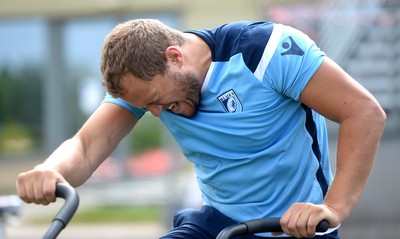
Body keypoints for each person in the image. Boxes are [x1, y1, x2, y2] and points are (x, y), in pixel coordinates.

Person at [16, 19, 386, 239]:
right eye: (146, 107)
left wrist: (333, 207)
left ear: (174, 57)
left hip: (291, 226)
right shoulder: (147, 86)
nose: (157, 114)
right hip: (218, 223)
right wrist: (52, 170)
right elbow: (86, 146)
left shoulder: (264, 51)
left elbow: (364, 112)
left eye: (157, 101)